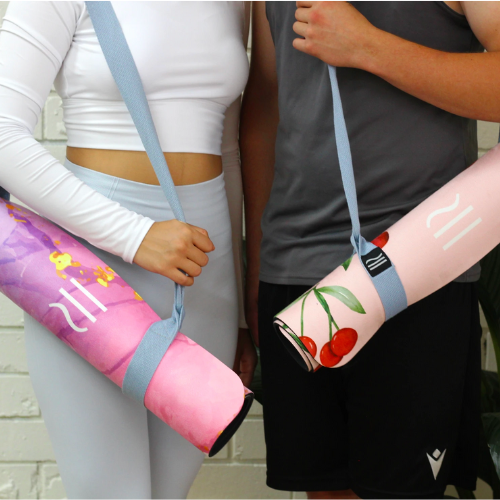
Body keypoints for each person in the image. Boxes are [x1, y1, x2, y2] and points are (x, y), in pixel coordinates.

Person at [241, 1, 500, 498]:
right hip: (295, 267)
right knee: (325, 490)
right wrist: (256, 267)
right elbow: (266, 106)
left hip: (416, 270)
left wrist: (367, 47)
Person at [0, 2, 257, 498]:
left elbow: (226, 145)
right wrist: (134, 236)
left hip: (206, 276)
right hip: (92, 280)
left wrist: (239, 303)